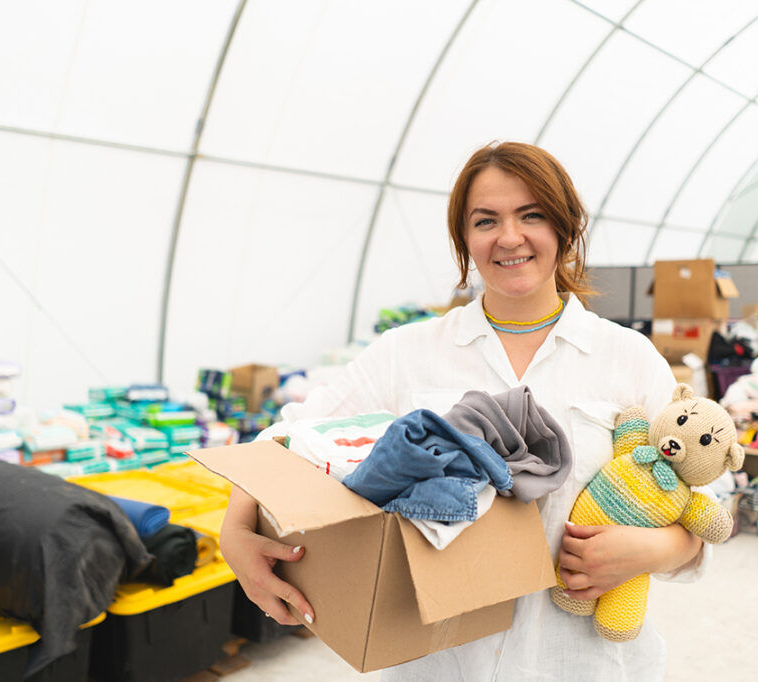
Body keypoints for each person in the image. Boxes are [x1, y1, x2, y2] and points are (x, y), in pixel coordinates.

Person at [220, 141, 709, 680]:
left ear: (566, 228)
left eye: (532, 215)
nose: (509, 237)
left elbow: (704, 504)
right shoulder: (406, 354)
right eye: (485, 221)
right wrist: (235, 534)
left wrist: (653, 549)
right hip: (438, 665)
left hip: (585, 663)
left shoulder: (628, 359)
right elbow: (287, 438)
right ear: (464, 240)